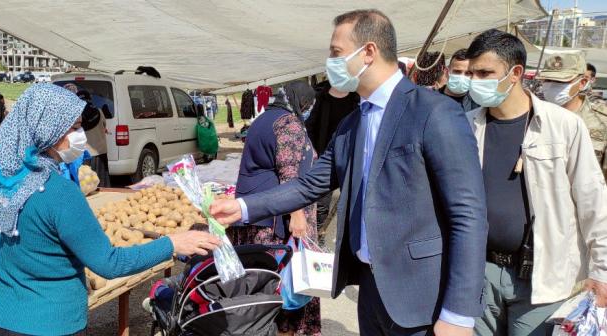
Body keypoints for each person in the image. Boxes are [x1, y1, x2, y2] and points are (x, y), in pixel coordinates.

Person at [211, 9, 487, 336]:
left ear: (368, 52)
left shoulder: (434, 113)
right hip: (371, 289)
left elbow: (468, 214)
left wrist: (458, 313)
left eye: (336, 53)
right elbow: (309, 184)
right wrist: (243, 207)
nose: (330, 62)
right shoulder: (352, 124)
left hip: (421, 297)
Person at [0, 84, 220, 335]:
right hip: (49, 324)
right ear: (48, 129)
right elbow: (108, 263)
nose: (82, 135)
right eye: (75, 128)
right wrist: (172, 244)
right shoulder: (58, 192)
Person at [464, 29, 607, 336]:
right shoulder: (466, 125)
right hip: (479, 273)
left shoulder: (564, 127)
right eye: (472, 72)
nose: (475, 81)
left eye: (485, 72)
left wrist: (601, 272)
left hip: (544, 280)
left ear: (515, 72)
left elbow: (593, 201)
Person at [228, 81, 320, 335]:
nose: (309, 109)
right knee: (284, 288)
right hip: (275, 224)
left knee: (261, 290)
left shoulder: (264, 119)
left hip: (256, 216)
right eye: (308, 105)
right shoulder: (288, 123)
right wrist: (298, 214)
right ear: (300, 102)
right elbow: (290, 173)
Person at [537, 52, 607, 179]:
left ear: (582, 83)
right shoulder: (532, 116)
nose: (552, 85)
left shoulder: (602, 121)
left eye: (561, 80)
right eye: (548, 80)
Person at [305, 81, 359, 243]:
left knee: (352, 201)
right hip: (324, 156)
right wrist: (314, 151)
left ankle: (348, 238)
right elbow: (310, 126)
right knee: (321, 202)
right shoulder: (321, 98)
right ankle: (317, 236)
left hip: (351, 157)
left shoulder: (356, 100)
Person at [76, 89, 111, 187]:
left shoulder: (77, 116)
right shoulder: (99, 111)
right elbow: (104, 126)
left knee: (88, 184)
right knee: (102, 182)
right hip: (101, 152)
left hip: (86, 154)